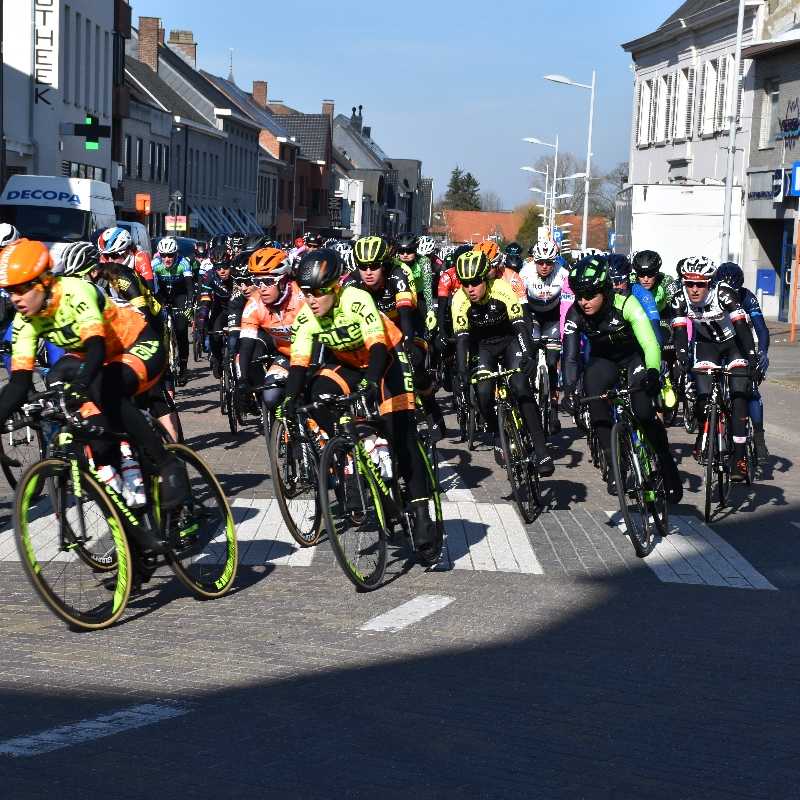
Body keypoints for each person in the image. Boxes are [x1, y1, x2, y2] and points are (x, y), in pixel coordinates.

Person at [0, 239, 188, 536]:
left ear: (44, 280)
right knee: (61, 388)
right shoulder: (25, 320)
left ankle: (167, 464)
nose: (17, 298)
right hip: (94, 358)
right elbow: (20, 382)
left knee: (103, 387)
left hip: (137, 343)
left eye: (23, 288)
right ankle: (133, 534)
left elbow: (97, 349)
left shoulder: (75, 291)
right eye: (11, 291)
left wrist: (82, 386)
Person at [285, 248, 442, 566]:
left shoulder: (356, 299)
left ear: (333, 288)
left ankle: (423, 514)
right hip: (349, 364)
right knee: (317, 391)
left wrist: (370, 385)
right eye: (306, 293)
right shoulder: (306, 315)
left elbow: (380, 347)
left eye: (317, 292)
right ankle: (356, 445)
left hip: (386, 360)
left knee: (402, 436)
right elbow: (299, 365)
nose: (311, 300)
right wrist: (290, 400)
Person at [562, 254, 682, 500]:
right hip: (603, 361)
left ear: (605, 290)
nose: (583, 302)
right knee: (593, 393)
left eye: (590, 295)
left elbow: (650, 343)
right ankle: (616, 464)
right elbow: (571, 357)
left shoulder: (626, 304)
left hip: (634, 359)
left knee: (644, 412)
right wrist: (569, 390)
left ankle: (666, 465)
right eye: (579, 295)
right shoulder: (575, 314)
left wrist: (652, 372)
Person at [62, 240, 182, 444]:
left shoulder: (120, 275)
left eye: (81, 275)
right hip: (113, 338)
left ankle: (174, 451)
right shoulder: (81, 289)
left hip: (146, 329)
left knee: (154, 394)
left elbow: (142, 313)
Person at [452, 249, 554, 476]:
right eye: (465, 283)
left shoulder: (501, 289)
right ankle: (497, 433)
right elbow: (462, 341)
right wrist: (461, 371)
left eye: (475, 283)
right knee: (484, 391)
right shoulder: (459, 300)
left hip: (510, 341)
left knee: (520, 385)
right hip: (483, 347)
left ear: (485, 279)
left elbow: (520, 325)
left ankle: (541, 448)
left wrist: (528, 355)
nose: (470, 289)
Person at [348, 235, 446, 440]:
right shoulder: (352, 281)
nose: (367, 272)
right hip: (375, 329)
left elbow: (406, 315)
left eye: (373, 266)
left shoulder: (399, 273)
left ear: (383, 265)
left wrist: (407, 344)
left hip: (406, 322)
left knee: (415, 362)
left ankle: (430, 406)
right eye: (362, 266)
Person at [671, 257, 759, 480]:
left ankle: (739, 457)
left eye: (700, 284)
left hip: (735, 344)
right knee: (702, 397)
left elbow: (741, 326)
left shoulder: (724, 294)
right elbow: (680, 332)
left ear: (709, 283)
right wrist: (681, 361)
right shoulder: (680, 298)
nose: (694, 289)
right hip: (706, 346)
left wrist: (752, 358)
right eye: (689, 283)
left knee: (739, 395)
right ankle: (705, 432)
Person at [236, 247, 304, 414]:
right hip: (287, 355)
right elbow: (246, 345)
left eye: (267, 281)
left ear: (283, 280)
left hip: (314, 354)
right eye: (257, 281)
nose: (262, 288)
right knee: (270, 396)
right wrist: (244, 380)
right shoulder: (254, 304)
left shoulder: (302, 297)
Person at [715, 261, 770, 461]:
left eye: (735, 292)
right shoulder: (712, 296)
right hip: (717, 345)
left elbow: (762, 329)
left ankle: (759, 437)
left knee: (751, 391)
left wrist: (762, 352)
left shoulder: (748, 297)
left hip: (742, 346)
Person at [520, 239, 570, 432]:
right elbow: (519, 303)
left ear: (555, 261)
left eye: (549, 262)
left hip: (553, 318)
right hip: (532, 316)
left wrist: (566, 329)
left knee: (551, 363)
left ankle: (553, 411)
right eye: (540, 261)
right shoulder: (525, 272)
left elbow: (568, 306)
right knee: (529, 356)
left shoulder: (564, 274)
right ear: (534, 260)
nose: (544, 266)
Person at [152, 236, 194, 385]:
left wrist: (189, 304)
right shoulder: (155, 264)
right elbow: (151, 287)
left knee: (182, 330)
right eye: (163, 255)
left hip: (180, 295)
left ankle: (183, 368)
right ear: (159, 254)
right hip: (162, 295)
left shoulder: (184, 263)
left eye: (170, 255)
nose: (167, 259)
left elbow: (190, 287)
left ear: (176, 254)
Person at [195, 248, 233, 380]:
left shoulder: (238, 273)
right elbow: (205, 302)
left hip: (237, 307)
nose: (222, 271)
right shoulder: (209, 275)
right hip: (220, 307)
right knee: (214, 335)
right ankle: (217, 357)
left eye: (225, 267)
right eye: (218, 268)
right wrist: (201, 323)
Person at [394, 233, 435, 331]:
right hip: (399, 297)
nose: (405, 255)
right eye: (401, 251)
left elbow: (427, 287)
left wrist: (430, 311)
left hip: (419, 297)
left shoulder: (423, 261)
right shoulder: (394, 261)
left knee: (422, 328)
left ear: (415, 250)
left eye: (409, 251)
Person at [97, 226, 155, 293]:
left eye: (114, 256)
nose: (110, 260)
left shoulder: (140, 257)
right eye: (106, 256)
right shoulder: (104, 259)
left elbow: (150, 289)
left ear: (127, 251)